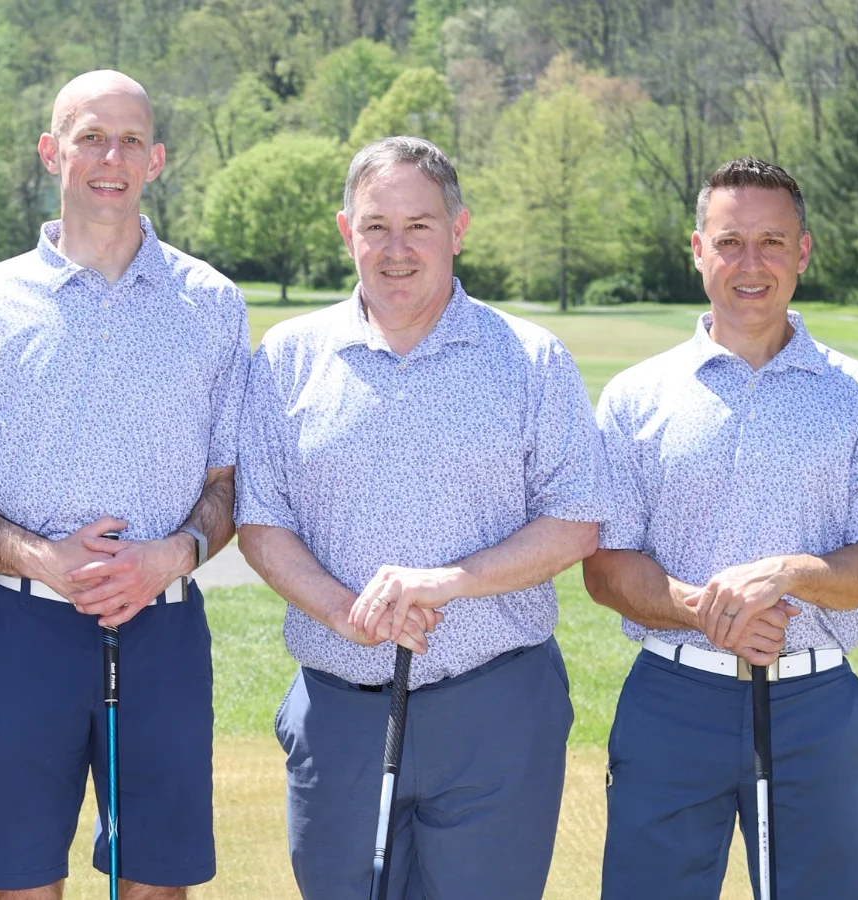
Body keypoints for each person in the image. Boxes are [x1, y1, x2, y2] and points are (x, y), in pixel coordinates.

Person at [235, 136, 607, 899]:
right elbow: (262, 522)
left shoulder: (530, 359)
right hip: (339, 709)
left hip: (494, 709)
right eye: (376, 226)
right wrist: (345, 612)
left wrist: (451, 582)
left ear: (458, 228)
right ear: (346, 231)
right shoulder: (288, 358)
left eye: (420, 226)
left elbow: (576, 518)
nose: (396, 250)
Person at [0, 70, 248, 899]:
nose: (113, 157)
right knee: (20, 881)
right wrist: (44, 559)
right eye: (91, 137)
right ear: (51, 152)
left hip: (165, 634)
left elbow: (228, 481)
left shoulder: (211, 303)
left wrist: (169, 556)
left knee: (157, 882)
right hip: (26, 632)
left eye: (132, 140)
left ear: (157, 159)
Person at [584, 156, 858, 900]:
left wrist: (788, 575)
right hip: (673, 700)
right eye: (730, 242)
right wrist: (710, 609)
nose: (751, 264)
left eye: (772, 242)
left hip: (814, 710)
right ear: (697, 249)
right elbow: (605, 566)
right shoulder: (637, 396)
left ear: (803, 252)